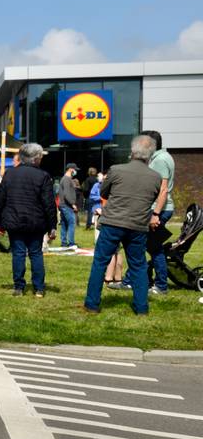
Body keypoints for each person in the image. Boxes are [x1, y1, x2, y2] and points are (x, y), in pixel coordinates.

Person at [84, 135, 164, 314]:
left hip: (113, 222)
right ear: (150, 154)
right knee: (138, 266)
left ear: (132, 151)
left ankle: (92, 304)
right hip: (138, 225)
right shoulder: (156, 177)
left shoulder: (116, 170)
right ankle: (141, 308)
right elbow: (152, 197)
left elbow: (103, 192)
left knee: (100, 262)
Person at [0, 143, 57, 297]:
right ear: (36, 158)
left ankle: (18, 287)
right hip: (36, 222)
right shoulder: (43, 176)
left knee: (18, 253)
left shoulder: (10, 174)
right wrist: (52, 226)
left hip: (14, 220)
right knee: (36, 254)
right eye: (40, 157)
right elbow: (49, 204)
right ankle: (39, 288)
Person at [144, 129, 175, 296]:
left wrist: (155, 214)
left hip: (159, 209)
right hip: (161, 208)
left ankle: (161, 285)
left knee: (155, 248)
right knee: (151, 246)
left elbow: (162, 189)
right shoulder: (163, 157)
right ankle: (142, 279)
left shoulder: (160, 160)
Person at [58, 163, 81, 248]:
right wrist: (73, 204)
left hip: (63, 205)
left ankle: (64, 242)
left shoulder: (65, 179)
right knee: (72, 223)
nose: (75, 171)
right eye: (75, 169)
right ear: (71, 169)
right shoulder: (67, 179)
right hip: (67, 205)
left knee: (64, 224)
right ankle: (71, 243)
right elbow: (67, 194)